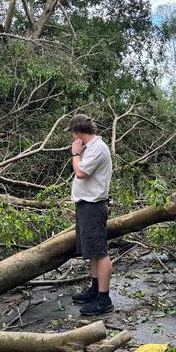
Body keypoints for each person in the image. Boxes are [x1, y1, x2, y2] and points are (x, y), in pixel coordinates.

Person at [68, 114, 113, 316]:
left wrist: (75, 154)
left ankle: (104, 299)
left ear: (78, 132)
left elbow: (80, 173)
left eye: (73, 134)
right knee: (92, 251)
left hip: (94, 206)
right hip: (86, 205)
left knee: (100, 252)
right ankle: (95, 290)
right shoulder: (91, 147)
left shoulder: (97, 148)